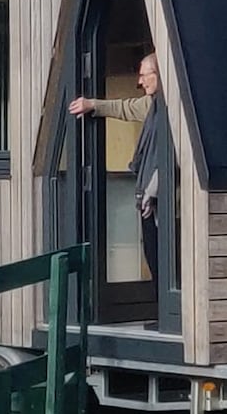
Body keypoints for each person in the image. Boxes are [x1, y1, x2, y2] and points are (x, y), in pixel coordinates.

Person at [69, 52, 161, 287]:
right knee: (153, 254)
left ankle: (171, 318)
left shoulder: (172, 110)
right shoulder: (153, 105)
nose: (140, 82)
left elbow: (171, 157)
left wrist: (152, 190)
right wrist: (92, 105)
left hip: (164, 201)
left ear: (159, 74)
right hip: (150, 197)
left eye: (143, 75)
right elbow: (126, 108)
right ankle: (163, 314)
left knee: (164, 259)